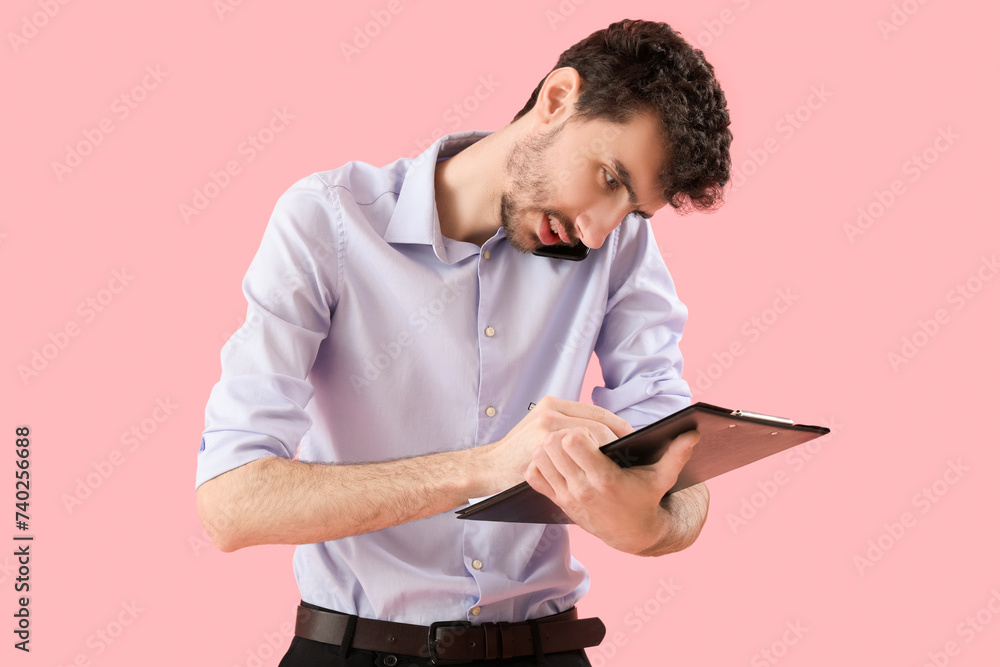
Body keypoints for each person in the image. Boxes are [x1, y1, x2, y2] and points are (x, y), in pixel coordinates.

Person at [195, 18, 732, 667]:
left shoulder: (618, 247)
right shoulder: (327, 223)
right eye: (610, 178)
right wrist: (487, 468)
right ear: (557, 99)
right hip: (357, 650)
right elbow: (231, 502)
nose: (596, 232)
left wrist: (652, 525)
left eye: (633, 209)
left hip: (546, 648)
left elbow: (678, 452)